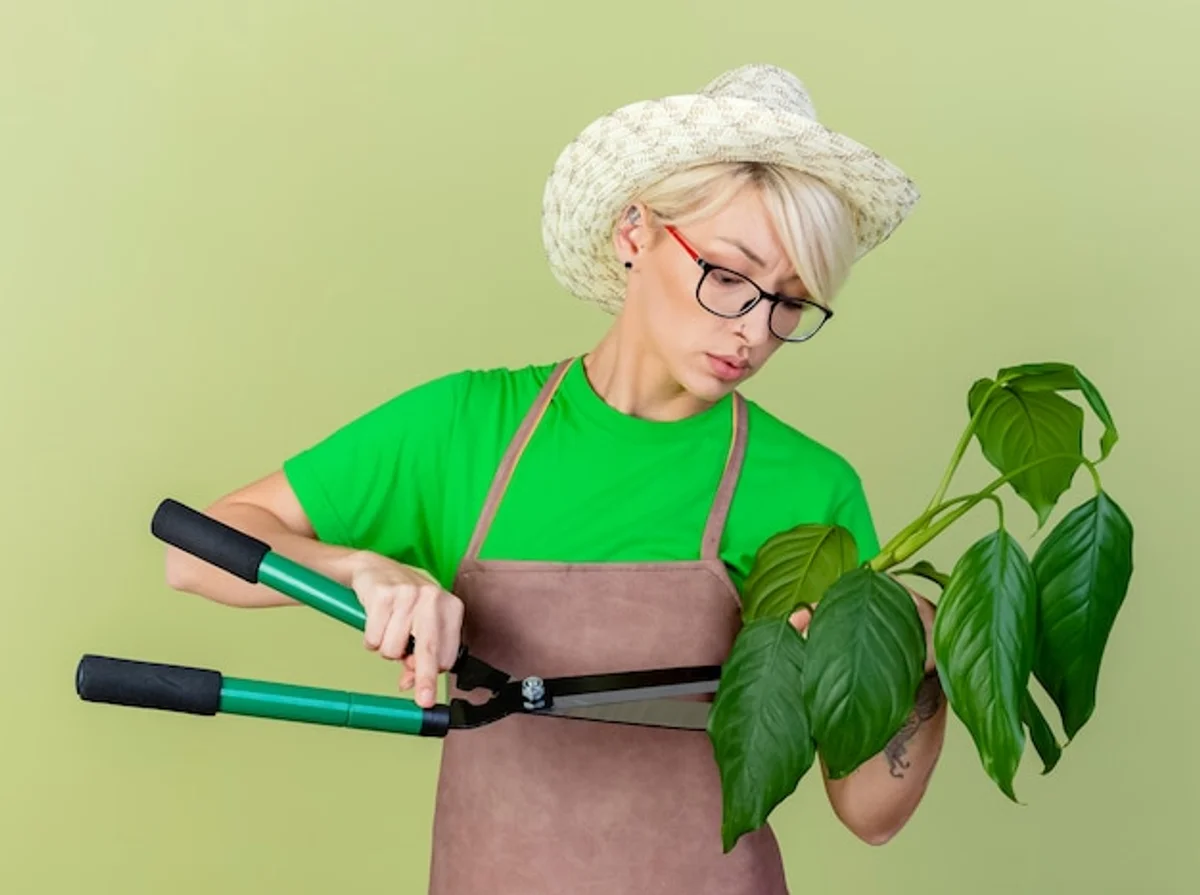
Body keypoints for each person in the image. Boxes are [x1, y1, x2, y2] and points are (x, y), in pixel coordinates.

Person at [164, 62, 946, 894]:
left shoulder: (809, 488)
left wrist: (923, 649)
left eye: (789, 301)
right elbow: (195, 553)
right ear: (635, 233)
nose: (755, 331)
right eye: (728, 276)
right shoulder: (466, 428)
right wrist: (360, 568)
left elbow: (871, 811)